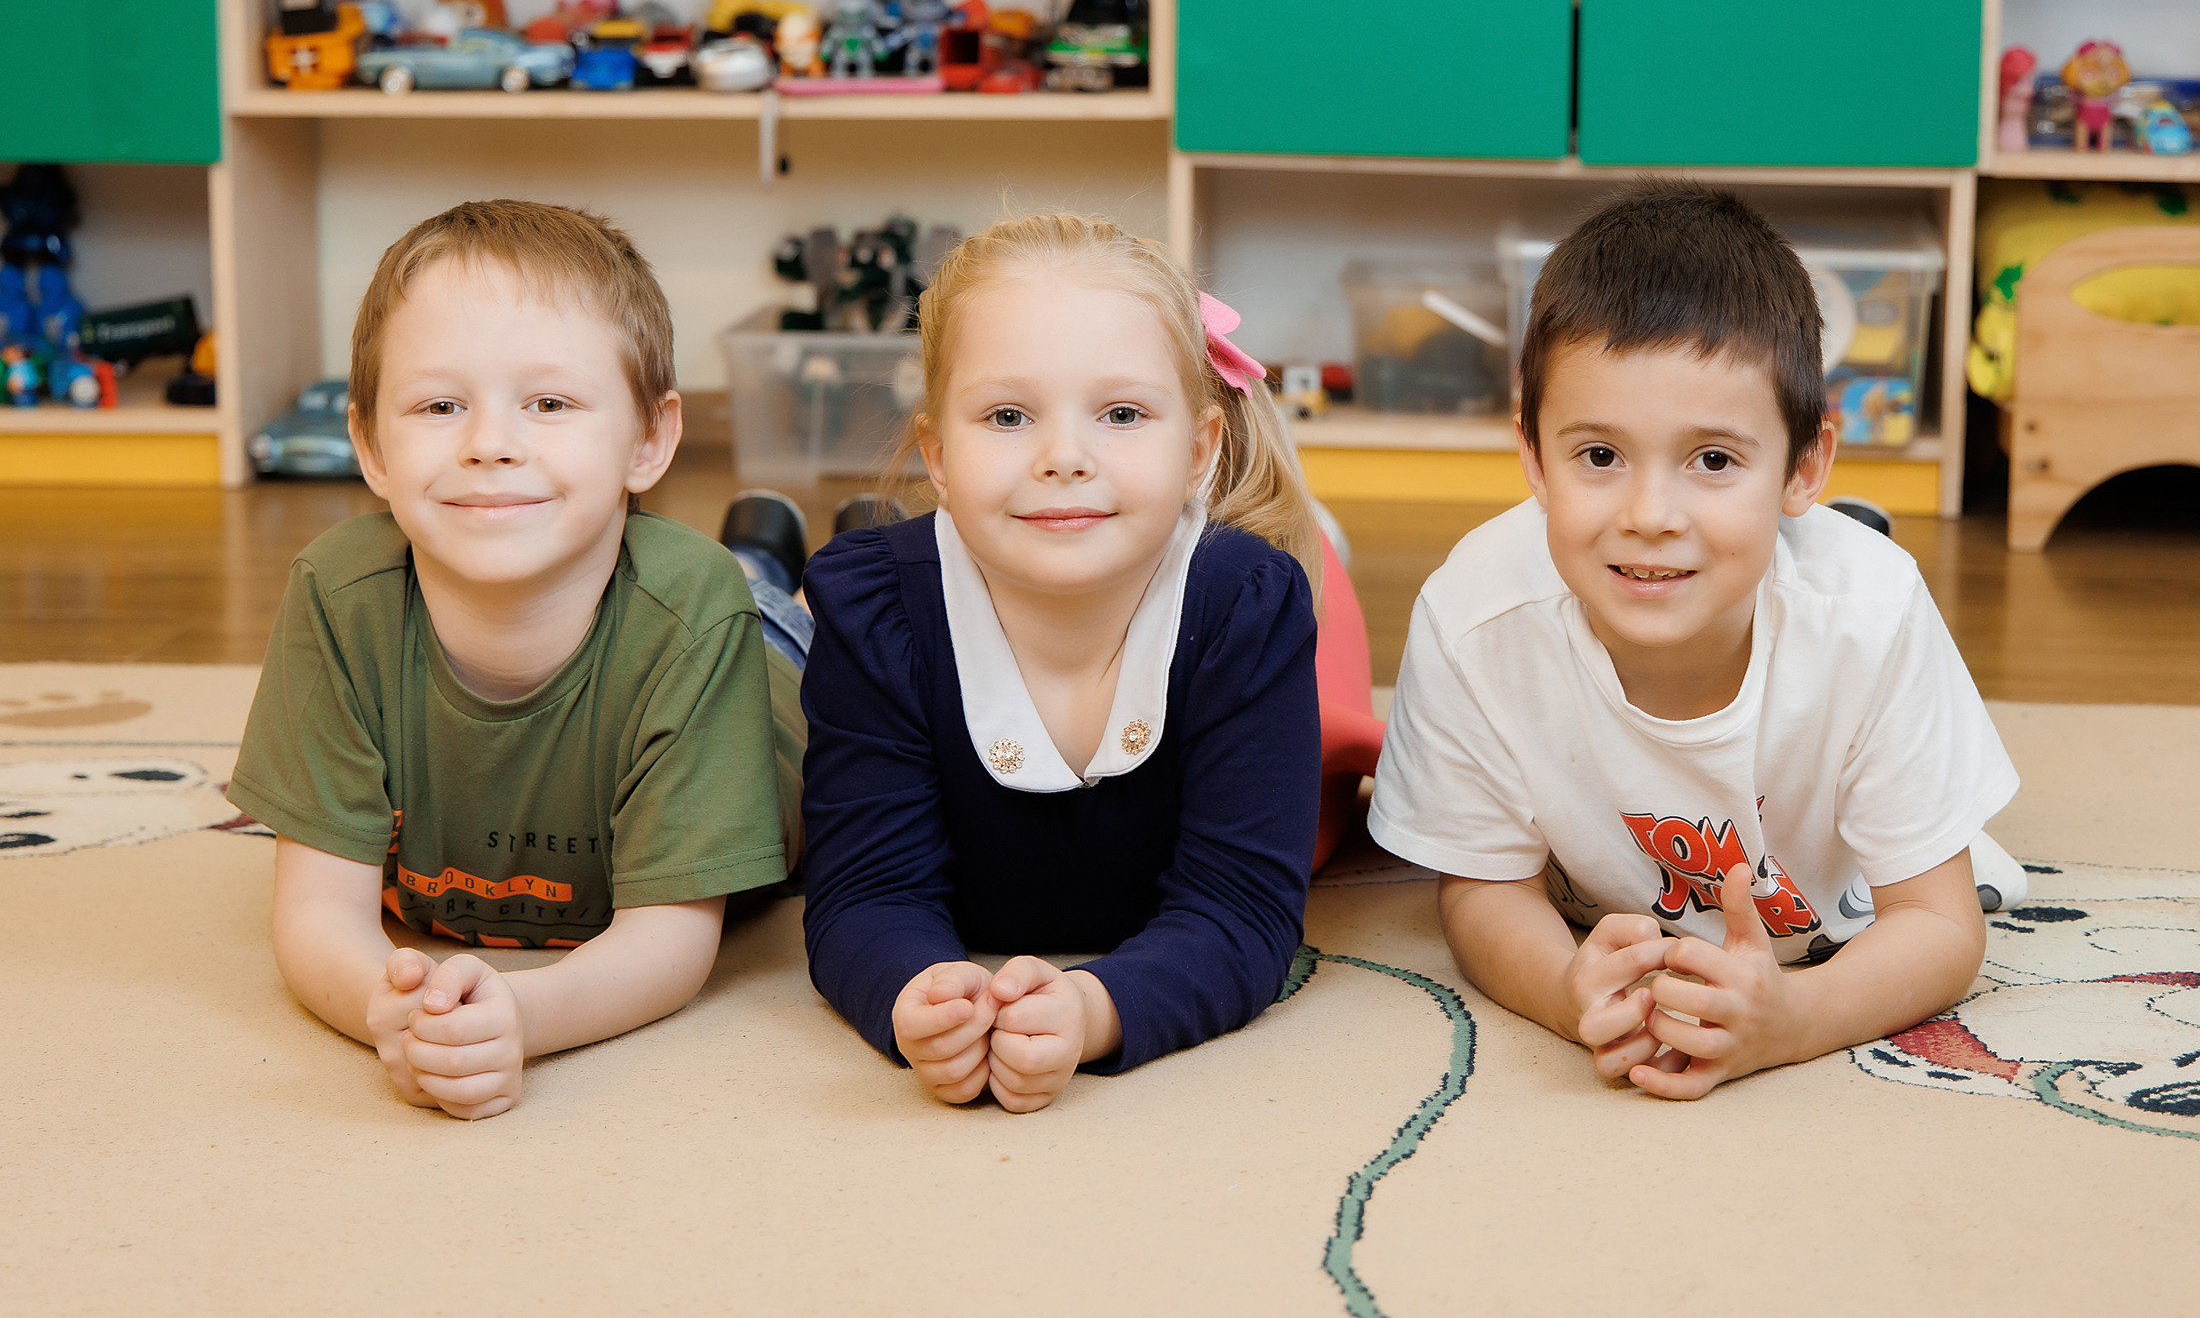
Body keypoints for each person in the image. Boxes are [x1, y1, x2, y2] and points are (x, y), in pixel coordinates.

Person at [1369, 181, 2028, 1101]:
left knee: (1850, 596)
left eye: (1713, 459)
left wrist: (1794, 1020)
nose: (1649, 517)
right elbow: (1483, 888)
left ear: (1805, 466)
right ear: (1531, 454)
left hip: (1829, 857)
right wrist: (1568, 993)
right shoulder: (1474, 622)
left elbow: (1940, 923)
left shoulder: (1871, 619)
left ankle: (1837, 530)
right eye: (1599, 456)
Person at [229, 200, 800, 1120]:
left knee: (790, 604)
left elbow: (670, 941)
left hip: (769, 660)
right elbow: (315, 916)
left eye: (549, 403)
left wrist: (520, 1015)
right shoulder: (339, 599)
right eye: (440, 404)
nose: (490, 444)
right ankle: (765, 545)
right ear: (370, 443)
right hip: (666, 585)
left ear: (649, 439)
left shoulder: (694, 614)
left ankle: (791, 564)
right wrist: (396, 1011)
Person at [797, 213, 1325, 1112]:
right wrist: (915, 992)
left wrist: (1096, 1007)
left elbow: (1242, 909)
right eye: (1008, 416)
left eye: (1121, 414)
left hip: (1238, 588)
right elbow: (863, 890)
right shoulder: (874, 612)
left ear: (1199, 450)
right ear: (938, 455)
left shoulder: (1249, 608)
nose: (1064, 458)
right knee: (762, 634)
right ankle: (764, 569)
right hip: (844, 609)